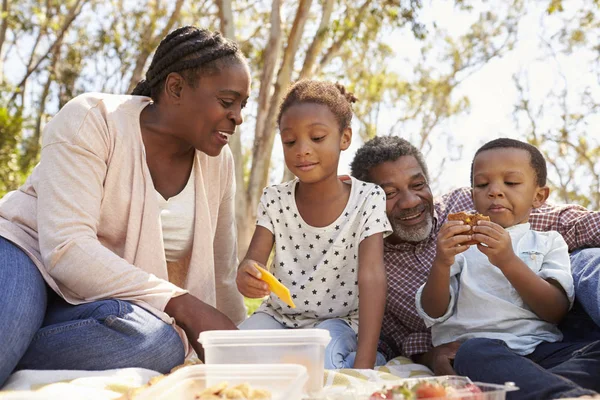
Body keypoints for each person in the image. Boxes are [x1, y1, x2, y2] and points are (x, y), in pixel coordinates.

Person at [0, 26, 251, 386]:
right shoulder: (94, 118)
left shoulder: (217, 163)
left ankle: (19, 344)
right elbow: (67, 249)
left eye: (243, 105)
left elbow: (220, 267)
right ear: (176, 88)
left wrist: (236, 339)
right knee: (8, 321)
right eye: (227, 102)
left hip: (96, 302)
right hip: (27, 256)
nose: (238, 116)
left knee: (159, 343)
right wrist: (183, 304)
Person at [349, 136, 600, 375]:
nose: (409, 201)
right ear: (368, 202)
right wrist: (431, 356)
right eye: (390, 193)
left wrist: (508, 259)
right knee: (475, 352)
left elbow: (573, 225)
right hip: (478, 350)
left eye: (418, 185)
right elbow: (404, 337)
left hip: (550, 328)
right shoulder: (371, 267)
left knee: (590, 261)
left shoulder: (467, 209)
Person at [416, 138, 600, 399]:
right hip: (485, 352)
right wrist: (441, 262)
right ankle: (560, 393)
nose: (495, 191)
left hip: (541, 350)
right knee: (473, 353)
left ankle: (540, 386)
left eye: (511, 183)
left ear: (539, 196)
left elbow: (554, 311)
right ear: (472, 195)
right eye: (482, 185)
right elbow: (433, 310)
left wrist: (508, 261)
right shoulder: (459, 243)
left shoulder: (548, 241)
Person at [235, 80, 390, 369]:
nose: (302, 150)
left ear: (344, 139)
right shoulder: (275, 199)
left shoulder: (368, 198)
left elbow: (372, 277)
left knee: (319, 364)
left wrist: (365, 363)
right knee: (233, 354)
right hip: (278, 319)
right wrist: (246, 276)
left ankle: (367, 357)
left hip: (338, 323)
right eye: (290, 141)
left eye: (317, 138)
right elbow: (253, 262)